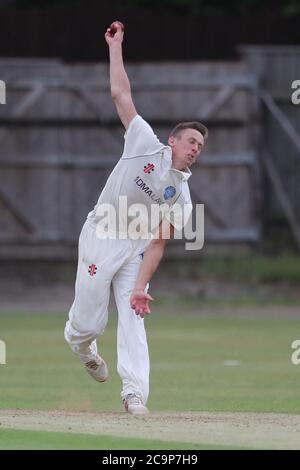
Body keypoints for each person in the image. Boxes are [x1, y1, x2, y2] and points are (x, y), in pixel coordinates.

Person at [64, 21, 208, 415]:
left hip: (135, 248)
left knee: (133, 319)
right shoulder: (144, 140)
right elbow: (120, 93)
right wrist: (115, 46)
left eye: (201, 146)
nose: (195, 149)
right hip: (101, 232)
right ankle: (82, 346)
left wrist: (140, 288)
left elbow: (158, 243)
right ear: (173, 140)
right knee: (89, 323)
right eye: (191, 141)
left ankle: (133, 395)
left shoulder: (181, 196)